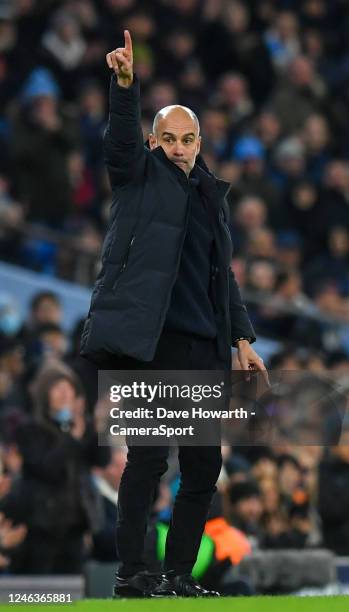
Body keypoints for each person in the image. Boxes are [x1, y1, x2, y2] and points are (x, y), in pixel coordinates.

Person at [80, 30, 267, 598]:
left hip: (203, 348)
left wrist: (243, 339)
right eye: (170, 138)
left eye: (189, 138)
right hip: (152, 342)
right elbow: (118, 144)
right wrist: (125, 86)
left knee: (204, 469)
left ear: (200, 141)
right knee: (147, 463)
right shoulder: (137, 178)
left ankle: (178, 575)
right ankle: (133, 573)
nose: (181, 147)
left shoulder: (212, 196)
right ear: (155, 141)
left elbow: (225, 278)